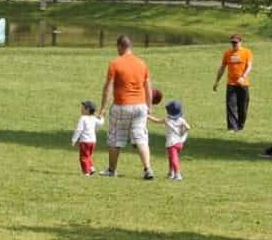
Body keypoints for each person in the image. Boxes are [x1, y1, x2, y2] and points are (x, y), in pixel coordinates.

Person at [99, 35, 155, 180]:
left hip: (122, 105)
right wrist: (149, 106)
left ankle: (111, 170)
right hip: (140, 106)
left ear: (120, 46)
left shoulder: (115, 63)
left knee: (115, 138)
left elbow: (108, 87)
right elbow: (148, 87)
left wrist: (103, 108)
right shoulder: (142, 63)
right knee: (141, 137)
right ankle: (148, 169)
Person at [213, 33, 253, 131]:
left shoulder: (247, 52)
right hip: (231, 84)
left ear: (240, 42)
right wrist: (216, 81)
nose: (234, 45)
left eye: (235, 42)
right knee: (231, 106)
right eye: (232, 43)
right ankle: (232, 127)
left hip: (243, 84)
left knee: (243, 106)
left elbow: (249, 66)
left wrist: (243, 77)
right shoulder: (227, 53)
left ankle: (240, 126)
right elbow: (222, 68)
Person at [150, 99, 191, 181]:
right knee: (171, 157)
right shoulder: (181, 120)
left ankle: (178, 174)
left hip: (171, 143)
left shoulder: (167, 120)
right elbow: (188, 127)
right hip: (179, 143)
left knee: (173, 158)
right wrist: (182, 133)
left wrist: (147, 116)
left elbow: (156, 120)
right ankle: (171, 173)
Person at [72, 100, 103, 176]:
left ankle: (86, 172)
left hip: (85, 141)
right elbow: (100, 123)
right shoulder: (94, 118)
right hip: (93, 141)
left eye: (83, 108)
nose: (81, 109)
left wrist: (74, 139)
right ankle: (91, 168)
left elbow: (79, 129)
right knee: (88, 155)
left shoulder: (83, 118)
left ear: (87, 110)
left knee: (83, 157)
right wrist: (101, 117)